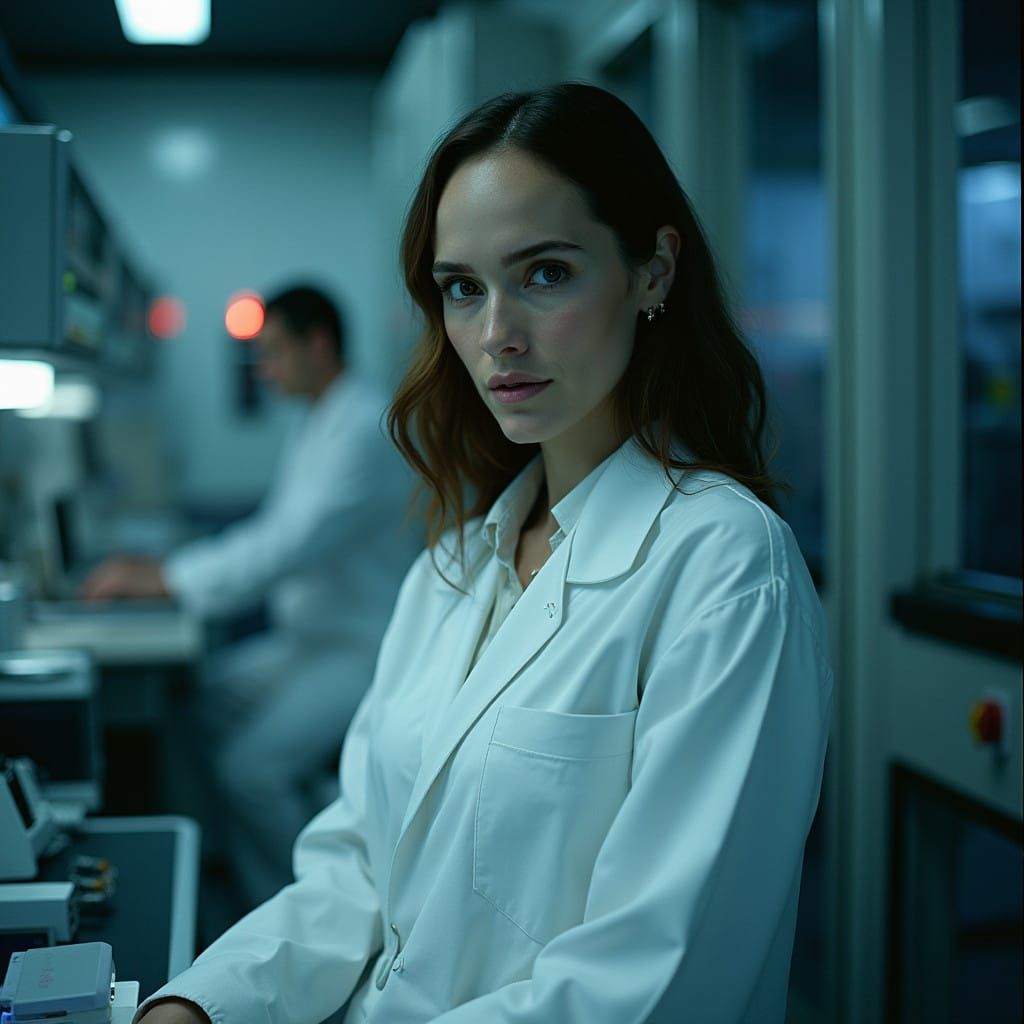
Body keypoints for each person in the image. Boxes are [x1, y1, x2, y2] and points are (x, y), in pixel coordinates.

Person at [133, 84, 833, 1024]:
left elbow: (650, 984)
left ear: (654, 270)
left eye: (545, 273)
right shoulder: (457, 564)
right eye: (463, 287)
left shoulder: (727, 569)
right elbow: (355, 864)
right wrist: (199, 1006)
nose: (497, 332)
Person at [84, 284, 414, 907]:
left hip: (359, 648)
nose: (262, 370)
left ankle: (304, 905)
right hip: (309, 640)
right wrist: (169, 569)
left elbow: (289, 544)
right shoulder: (320, 418)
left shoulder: (365, 428)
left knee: (250, 768)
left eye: (272, 353)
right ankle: (211, 868)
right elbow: (273, 531)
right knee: (199, 703)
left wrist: (169, 579)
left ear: (317, 344)